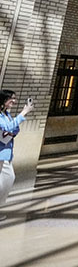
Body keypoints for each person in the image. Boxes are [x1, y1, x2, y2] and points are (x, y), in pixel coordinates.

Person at [0, 89, 33, 217]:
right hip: (1, 154)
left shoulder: (7, 115)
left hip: (7, 153)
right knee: (6, 179)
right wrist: (24, 112)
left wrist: (14, 129)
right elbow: (7, 128)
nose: (14, 101)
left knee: (8, 179)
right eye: (11, 98)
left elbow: (13, 129)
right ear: (3, 100)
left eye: (15, 98)